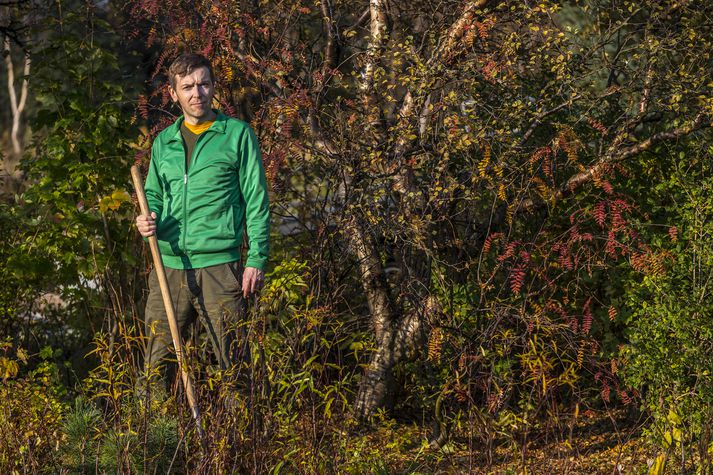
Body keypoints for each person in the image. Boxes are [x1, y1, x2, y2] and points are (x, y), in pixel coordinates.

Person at [135, 53, 270, 390]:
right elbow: (152, 194)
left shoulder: (237, 135)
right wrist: (147, 218)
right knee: (156, 368)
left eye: (204, 84)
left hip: (219, 268)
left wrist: (256, 258)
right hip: (169, 266)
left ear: (212, 87)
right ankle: (155, 442)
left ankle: (238, 441)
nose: (198, 93)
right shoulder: (163, 142)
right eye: (188, 87)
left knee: (232, 366)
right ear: (173, 93)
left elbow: (256, 200)